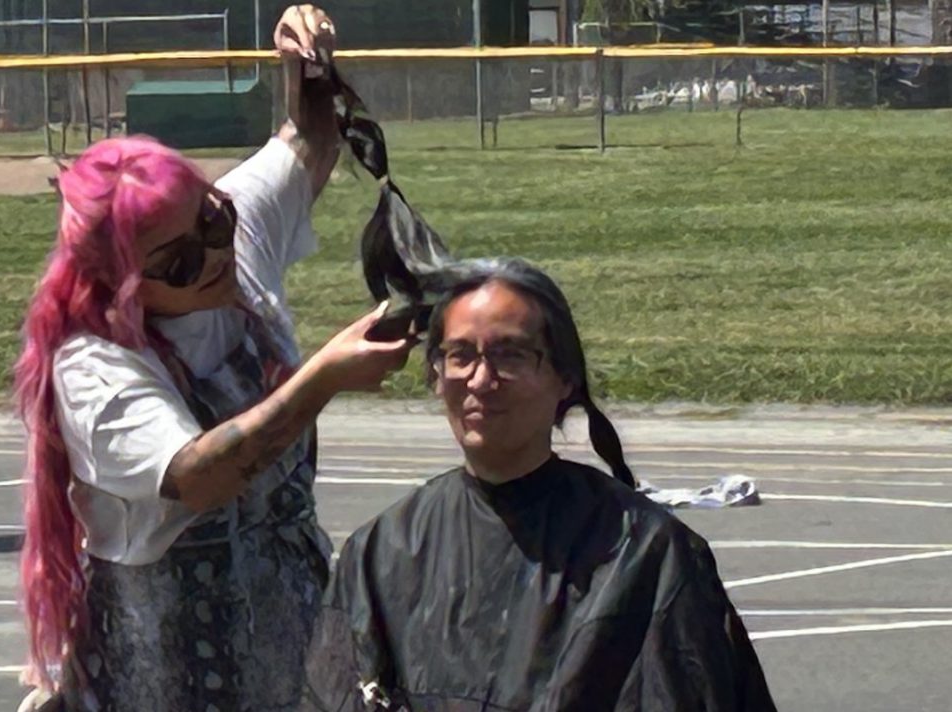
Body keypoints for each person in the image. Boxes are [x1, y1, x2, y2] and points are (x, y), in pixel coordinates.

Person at [14, 6, 414, 711]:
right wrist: (322, 379)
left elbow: (310, 143)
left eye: (213, 218)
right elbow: (199, 475)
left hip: (290, 634)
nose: (214, 253)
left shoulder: (229, 239)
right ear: (124, 284)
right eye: (176, 261)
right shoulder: (95, 365)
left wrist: (304, 62)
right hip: (163, 673)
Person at [302, 259, 777, 712]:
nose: (481, 380)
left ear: (564, 378)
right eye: (460, 355)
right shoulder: (384, 551)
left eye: (509, 355)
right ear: (435, 375)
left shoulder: (646, 554)